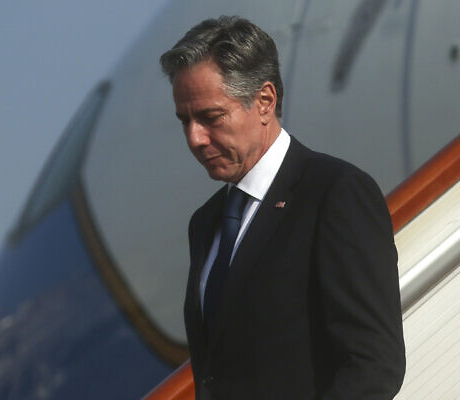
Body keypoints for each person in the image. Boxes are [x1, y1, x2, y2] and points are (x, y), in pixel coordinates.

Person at [159, 16, 405, 399]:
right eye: (184, 121)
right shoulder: (205, 224)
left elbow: (374, 364)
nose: (195, 138)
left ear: (264, 101)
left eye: (210, 118)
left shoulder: (335, 194)